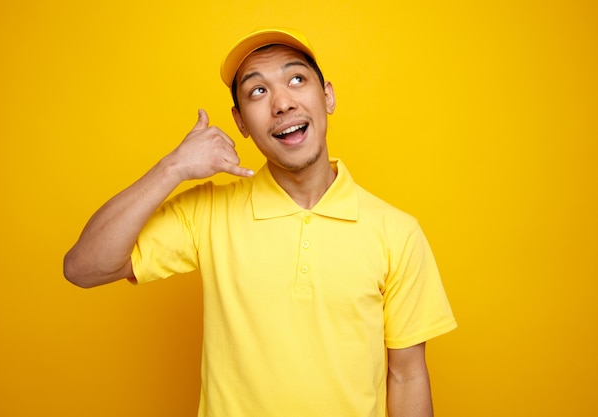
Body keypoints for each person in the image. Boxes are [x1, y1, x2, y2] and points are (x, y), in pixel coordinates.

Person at [64, 27, 457, 417]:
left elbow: (406, 376)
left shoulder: (397, 232)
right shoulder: (208, 212)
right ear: (240, 122)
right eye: (258, 91)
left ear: (328, 96)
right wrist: (173, 168)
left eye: (297, 79)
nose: (282, 103)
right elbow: (83, 267)